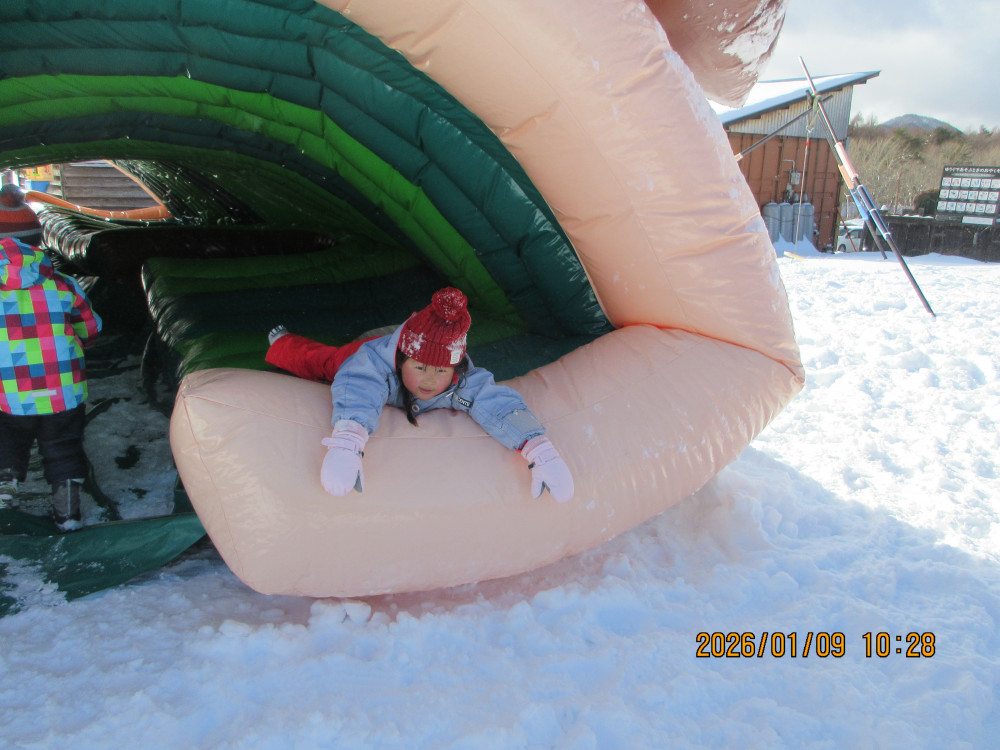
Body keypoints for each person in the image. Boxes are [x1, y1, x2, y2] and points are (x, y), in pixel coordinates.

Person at [266, 287, 574, 502]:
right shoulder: (376, 366)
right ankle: (284, 343)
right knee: (326, 363)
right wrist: (348, 440)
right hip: (371, 347)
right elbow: (360, 387)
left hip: (411, 339)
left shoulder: (460, 383)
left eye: (441, 371)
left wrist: (539, 449)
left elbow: (495, 403)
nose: (429, 380)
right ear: (403, 361)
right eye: (421, 368)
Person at [0, 237, 102, 531]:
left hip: (10, 392)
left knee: (7, 440)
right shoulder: (63, 283)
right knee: (63, 445)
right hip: (63, 389)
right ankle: (68, 514)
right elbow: (91, 328)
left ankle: (4, 497)